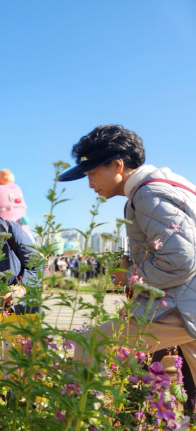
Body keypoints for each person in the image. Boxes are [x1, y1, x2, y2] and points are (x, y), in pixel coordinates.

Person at [61, 124, 196, 407]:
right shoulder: (171, 185)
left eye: (92, 174)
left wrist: (131, 276)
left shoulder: (149, 195)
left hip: (184, 305)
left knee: (90, 343)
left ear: (117, 165)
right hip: (188, 301)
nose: (90, 184)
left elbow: (180, 259)